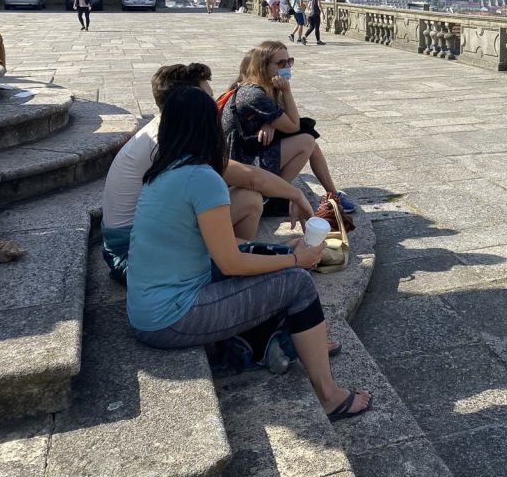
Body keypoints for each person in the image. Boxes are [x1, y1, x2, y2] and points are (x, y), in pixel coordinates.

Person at [127, 86, 372, 421]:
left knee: (266, 253)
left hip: (151, 306)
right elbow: (230, 262)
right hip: (170, 318)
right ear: (209, 127)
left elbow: (226, 241)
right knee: (296, 282)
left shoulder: (166, 170)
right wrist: (295, 260)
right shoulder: (202, 178)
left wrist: (282, 252)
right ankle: (329, 396)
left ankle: (299, 340)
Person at [102, 63, 314, 284]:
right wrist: (295, 196)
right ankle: (238, 266)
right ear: (188, 100)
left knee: (249, 199)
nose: (216, 105)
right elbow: (251, 177)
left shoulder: (167, 128)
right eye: (208, 98)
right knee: (248, 206)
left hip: (143, 236)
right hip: (134, 253)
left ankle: (238, 258)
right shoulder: (168, 142)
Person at [221, 41, 356, 212]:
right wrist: (287, 91)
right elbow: (293, 125)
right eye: (281, 63)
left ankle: (332, 193)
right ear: (263, 66)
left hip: (247, 151)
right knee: (307, 141)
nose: (287, 67)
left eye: (289, 61)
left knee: (311, 145)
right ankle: (273, 196)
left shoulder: (262, 87)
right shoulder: (254, 94)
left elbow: (283, 116)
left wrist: (270, 122)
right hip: (239, 161)